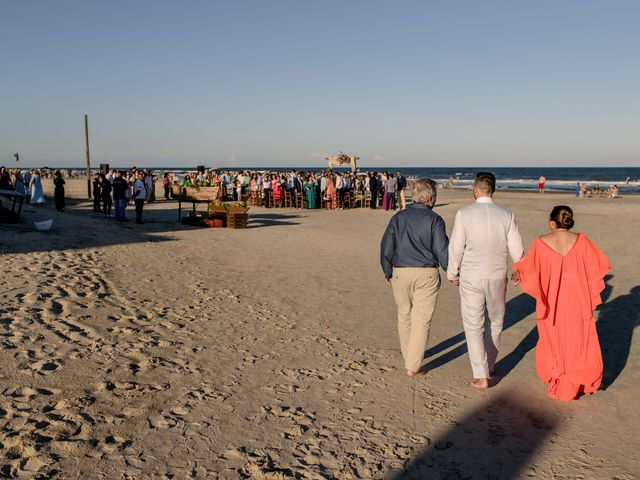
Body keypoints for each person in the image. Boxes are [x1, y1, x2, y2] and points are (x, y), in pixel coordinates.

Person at [512, 206, 610, 401]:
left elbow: (529, 270)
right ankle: (576, 380)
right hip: (578, 300)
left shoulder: (541, 242)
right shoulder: (582, 241)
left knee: (554, 337)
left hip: (553, 302)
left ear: (552, 223)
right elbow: (600, 266)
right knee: (579, 339)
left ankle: (561, 379)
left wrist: (517, 276)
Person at [447, 172, 524, 389]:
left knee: (474, 325)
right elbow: (517, 251)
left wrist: (452, 272)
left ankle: (482, 374)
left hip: (471, 274)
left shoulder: (464, 213)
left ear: (476, 188)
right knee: (496, 321)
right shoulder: (506, 215)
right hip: (497, 274)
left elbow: (456, 247)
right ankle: (489, 365)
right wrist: (520, 271)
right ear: (493, 189)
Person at [380, 179, 449, 377]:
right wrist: (451, 270)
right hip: (426, 272)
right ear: (431, 199)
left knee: (404, 314)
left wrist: (387, 270)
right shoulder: (435, 220)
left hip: (401, 271)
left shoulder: (399, 218)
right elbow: (441, 250)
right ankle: (412, 364)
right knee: (421, 319)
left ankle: (408, 356)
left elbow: (386, 246)